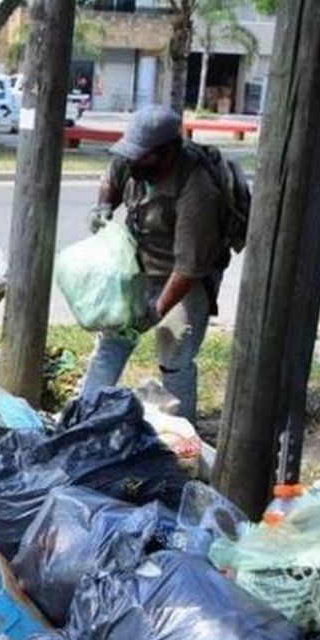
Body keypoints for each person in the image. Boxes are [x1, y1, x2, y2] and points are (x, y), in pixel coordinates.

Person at [80, 105, 232, 419]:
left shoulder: (197, 190)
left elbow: (189, 268)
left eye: (142, 156)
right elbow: (112, 175)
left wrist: (157, 309)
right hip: (139, 269)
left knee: (174, 357)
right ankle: (81, 419)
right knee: (112, 343)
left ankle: (182, 441)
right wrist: (104, 205)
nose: (132, 161)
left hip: (184, 282)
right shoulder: (133, 160)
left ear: (168, 153)